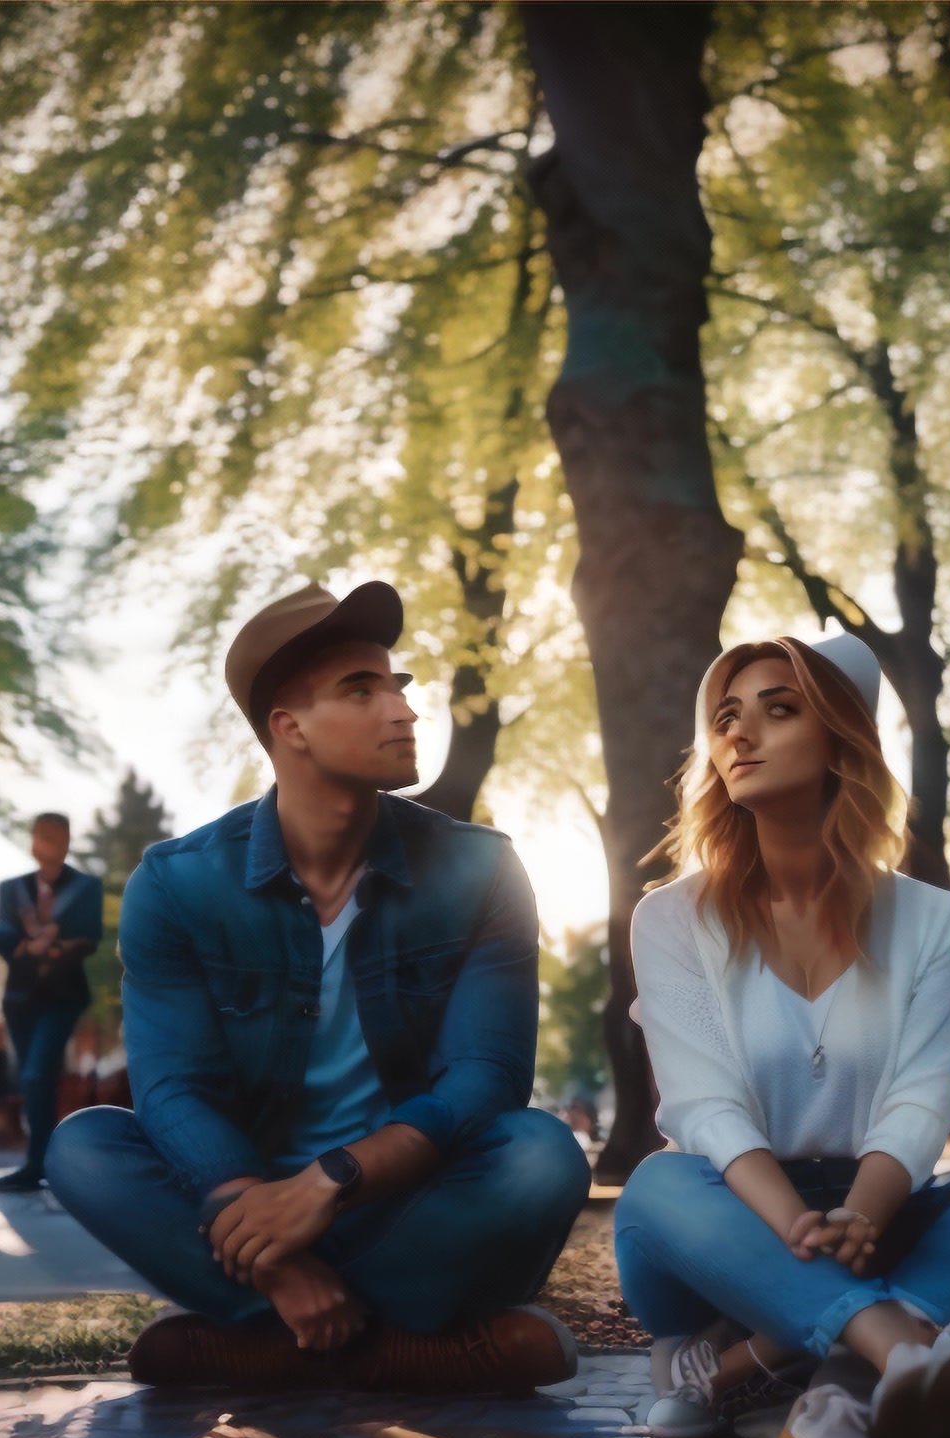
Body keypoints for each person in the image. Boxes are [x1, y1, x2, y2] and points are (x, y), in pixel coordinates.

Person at [45, 580, 590, 1394]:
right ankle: (397, 1344)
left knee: (542, 1156)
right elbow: (175, 1089)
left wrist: (333, 1181)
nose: (403, 712)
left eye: (398, 688)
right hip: (252, 1210)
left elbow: (487, 1077)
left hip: (409, 1206)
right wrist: (278, 1258)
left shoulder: (482, 869)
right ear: (288, 728)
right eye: (360, 691)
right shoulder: (178, 883)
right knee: (84, 1147)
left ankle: (262, 1350)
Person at [615, 632, 950, 1438]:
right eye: (726, 718)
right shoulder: (672, 919)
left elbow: (917, 1097)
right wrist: (795, 1222)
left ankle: (803, 1386)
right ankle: (905, 1348)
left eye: (777, 711)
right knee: (654, 1188)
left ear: (842, 740)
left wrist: (862, 1212)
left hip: (876, 1213)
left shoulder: (933, 921)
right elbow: (704, 1106)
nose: (740, 736)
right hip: (726, 1228)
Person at [0, 813, 105, 1191]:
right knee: (32, 1079)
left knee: (39, 1073)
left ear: (68, 841)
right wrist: (27, 945)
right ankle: (38, 1161)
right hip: (20, 998)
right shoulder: (12, 888)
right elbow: (1, 932)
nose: (49, 843)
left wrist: (54, 946)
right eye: (42, 836)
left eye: (57, 836)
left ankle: (41, 1161)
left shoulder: (86, 887)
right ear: (33, 842)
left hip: (62, 996)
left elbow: (89, 935)